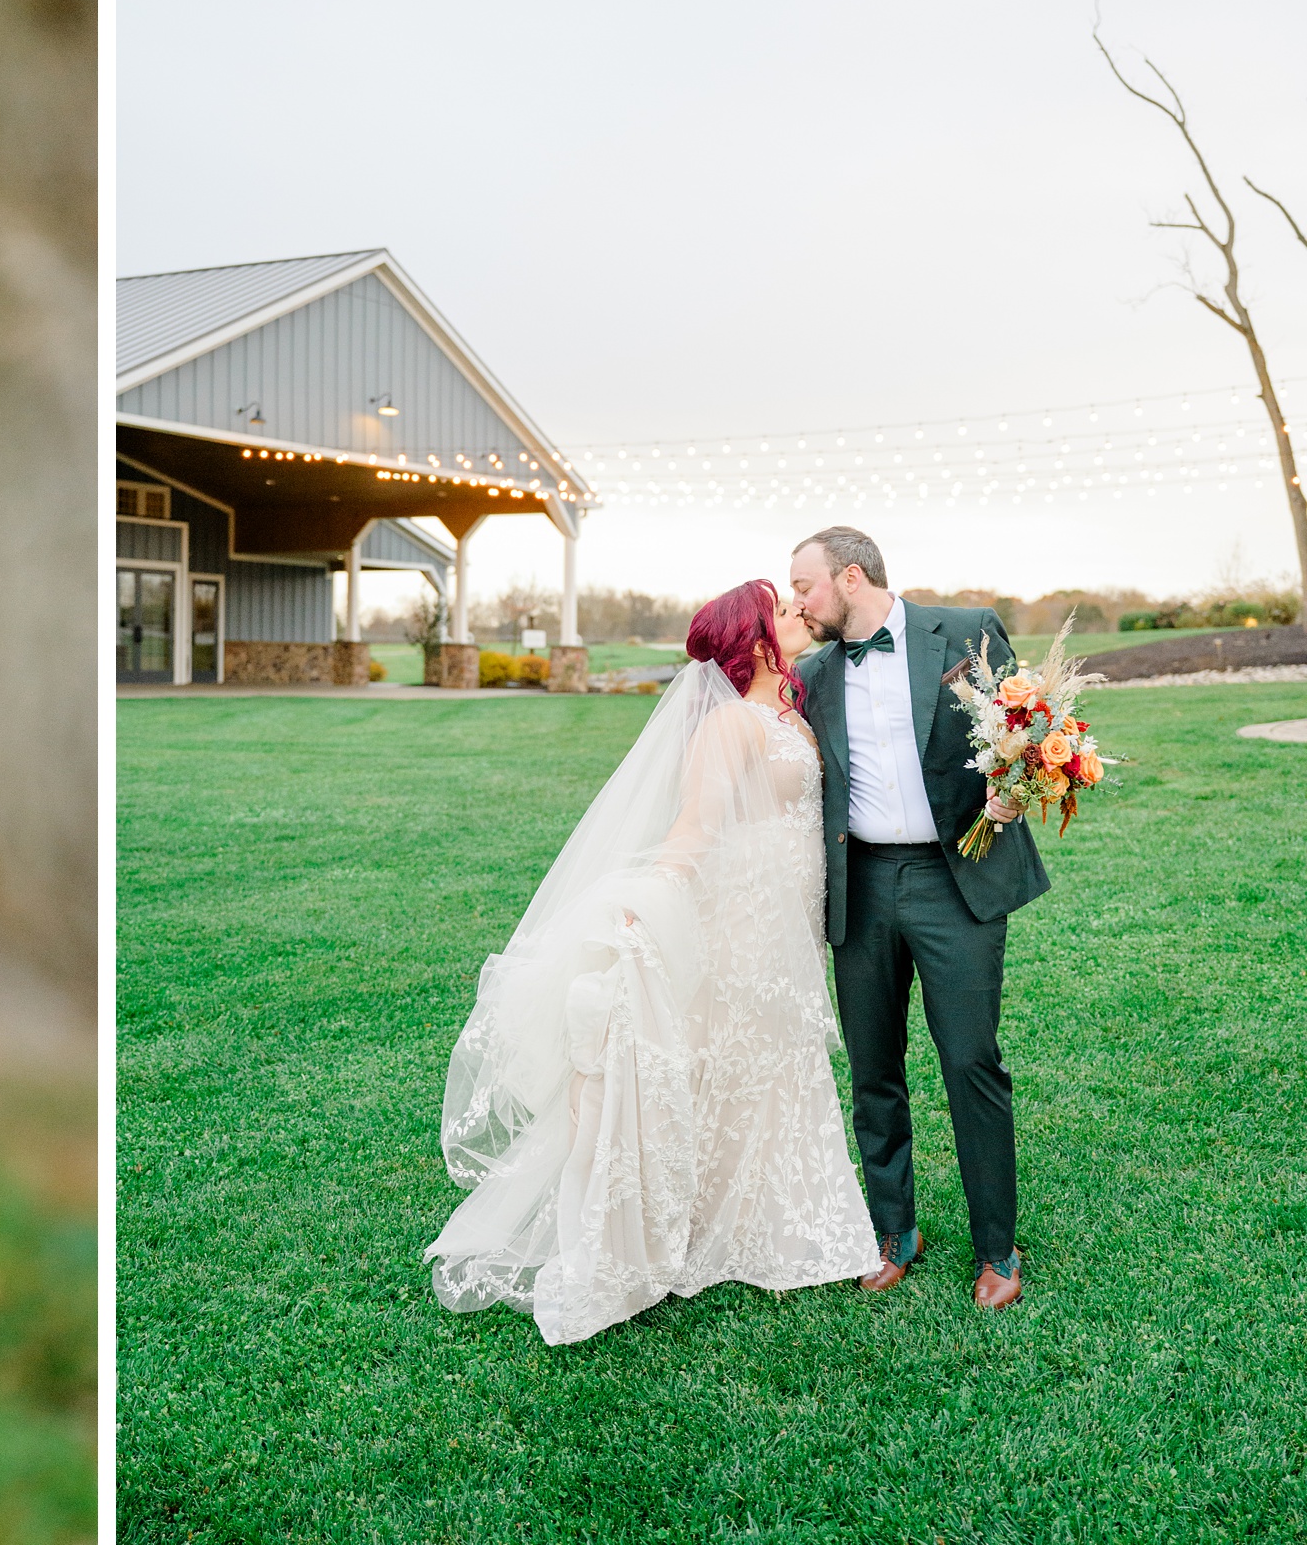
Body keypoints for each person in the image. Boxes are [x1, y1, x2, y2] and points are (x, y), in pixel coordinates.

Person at [426, 580, 879, 1344]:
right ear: (756, 639)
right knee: (730, 1055)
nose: (801, 615)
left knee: (773, 1056)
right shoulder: (731, 725)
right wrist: (641, 907)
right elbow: (695, 828)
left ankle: (776, 1219)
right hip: (739, 920)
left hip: (787, 920)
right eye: (785, 610)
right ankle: (698, 1223)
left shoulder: (791, 715)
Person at [788, 525, 1043, 1311]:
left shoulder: (966, 631)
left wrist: (1016, 788)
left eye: (805, 585)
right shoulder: (815, 673)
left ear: (852, 578)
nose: (797, 600)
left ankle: (997, 1248)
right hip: (859, 883)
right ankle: (895, 1231)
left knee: (971, 1059)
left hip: (953, 876)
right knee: (873, 1068)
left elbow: (1029, 728)